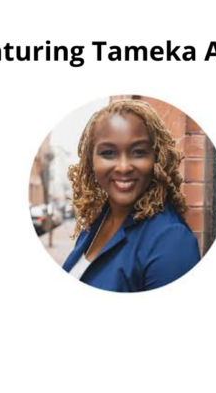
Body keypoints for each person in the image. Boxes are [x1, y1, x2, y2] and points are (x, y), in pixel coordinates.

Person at [62, 99, 200, 292]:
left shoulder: (171, 242)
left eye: (138, 152)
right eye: (108, 153)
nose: (124, 167)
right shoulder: (97, 221)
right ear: (90, 161)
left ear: (156, 158)